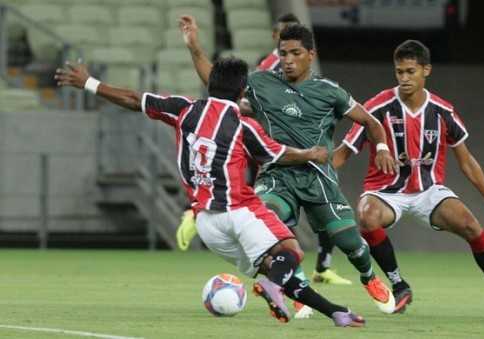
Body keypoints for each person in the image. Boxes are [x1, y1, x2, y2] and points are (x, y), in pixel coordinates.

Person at [54, 58, 365, 327]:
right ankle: (277, 288)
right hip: (238, 211)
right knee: (291, 252)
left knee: (279, 272)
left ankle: (336, 312)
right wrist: (311, 154)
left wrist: (90, 83)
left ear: (209, 85)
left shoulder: (184, 110)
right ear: (243, 91)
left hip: (207, 225)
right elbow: (280, 154)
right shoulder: (244, 127)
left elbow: (135, 99)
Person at [180, 15, 399, 314]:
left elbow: (370, 122)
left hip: (318, 178)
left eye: (296, 53)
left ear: (311, 55)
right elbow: (215, 81)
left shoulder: (329, 91)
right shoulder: (260, 82)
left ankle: (368, 276)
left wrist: (383, 146)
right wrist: (194, 47)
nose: (288, 60)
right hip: (278, 177)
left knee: (351, 242)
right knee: (267, 220)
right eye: (283, 53)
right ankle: (292, 284)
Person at [332, 40, 484, 317]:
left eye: (410, 71)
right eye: (399, 72)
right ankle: (399, 285)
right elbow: (342, 154)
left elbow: (467, 162)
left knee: (471, 226)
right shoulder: (377, 108)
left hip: (428, 192)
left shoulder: (442, 111)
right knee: (366, 215)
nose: (404, 78)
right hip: (385, 192)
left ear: (426, 70)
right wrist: (315, 179)